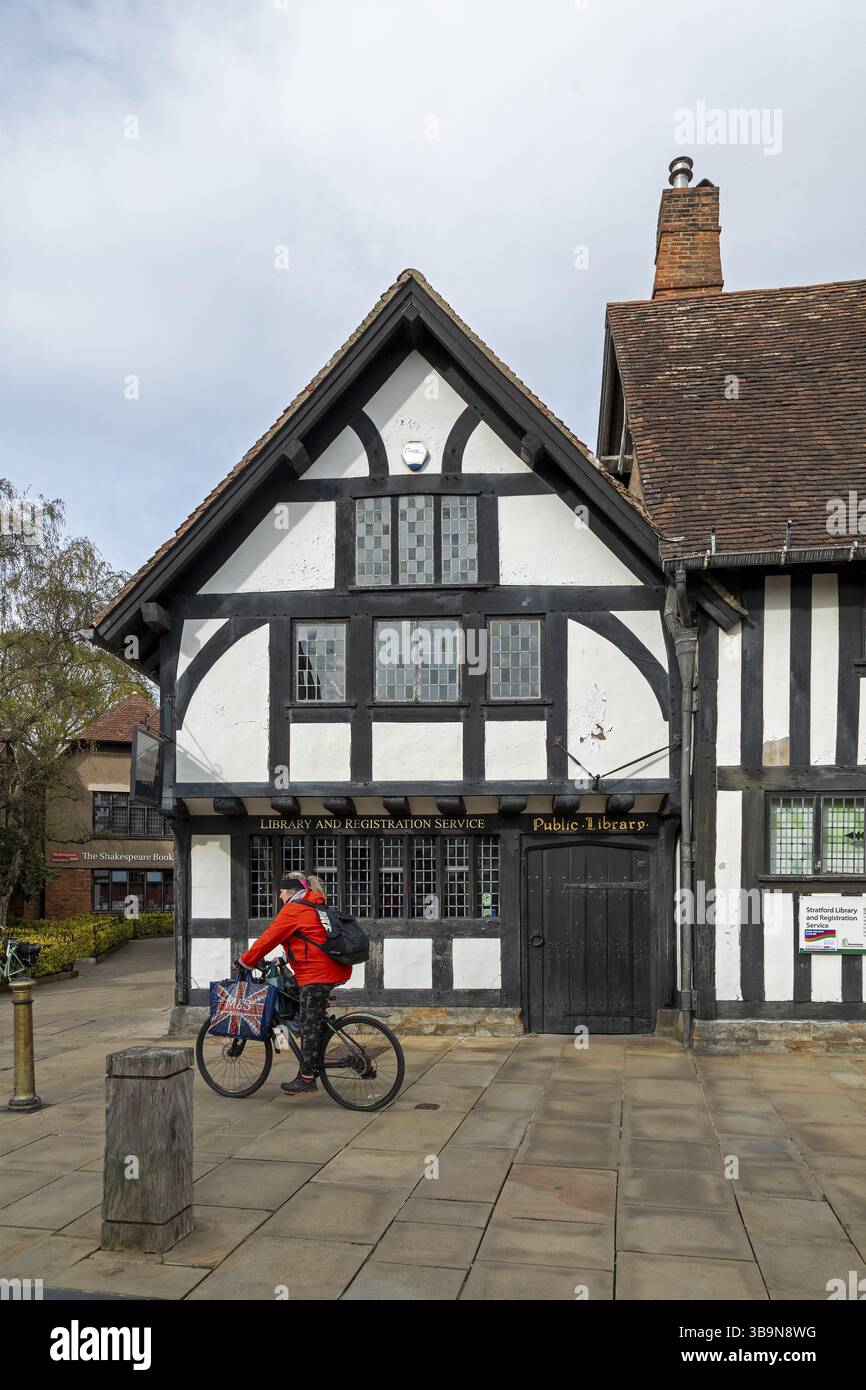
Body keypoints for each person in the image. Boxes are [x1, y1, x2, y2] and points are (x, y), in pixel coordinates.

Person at [238, 871, 351, 1096]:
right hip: (331, 970)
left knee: (309, 1023)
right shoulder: (313, 906)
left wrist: (245, 961)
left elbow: (269, 938)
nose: (279, 896)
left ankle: (307, 1077)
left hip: (317, 976)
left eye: (280, 892)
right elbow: (312, 941)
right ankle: (298, 1034)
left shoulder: (294, 908)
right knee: (288, 990)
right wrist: (284, 959)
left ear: (290, 892)